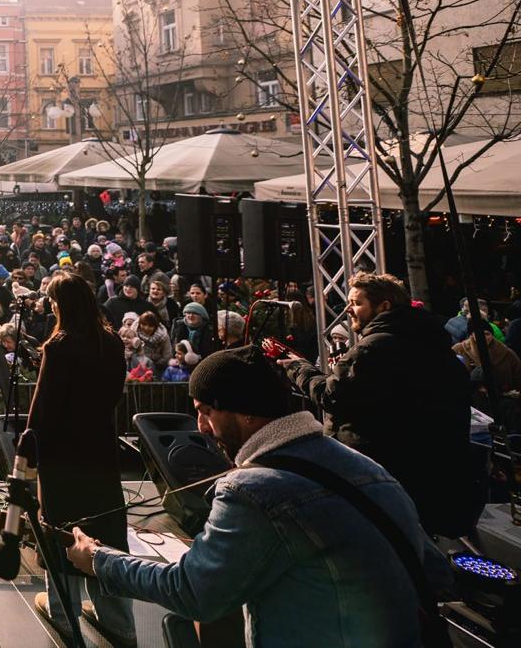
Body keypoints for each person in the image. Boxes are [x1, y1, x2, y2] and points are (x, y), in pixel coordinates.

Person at [67, 346, 455, 648]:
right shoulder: (370, 470)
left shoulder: (252, 491)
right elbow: (435, 574)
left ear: (245, 413)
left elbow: (192, 592)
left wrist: (99, 560)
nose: (201, 427)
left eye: (205, 411)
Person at [280, 271, 476, 536]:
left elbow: (332, 396)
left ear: (384, 306)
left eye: (356, 303)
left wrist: (298, 369)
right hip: (429, 480)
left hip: (376, 477)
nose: (348, 310)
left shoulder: (374, 349)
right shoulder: (436, 346)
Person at [24, 271, 135, 648]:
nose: (50, 305)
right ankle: (119, 623)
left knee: (61, 530)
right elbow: (114, 395)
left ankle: (65, 617)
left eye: (53, 300)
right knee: (106, 533)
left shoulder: (60, 346)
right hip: (101, 452)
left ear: (62, 304)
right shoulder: (112, 343)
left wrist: (28, 450)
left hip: (63, 457)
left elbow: (43, 410)